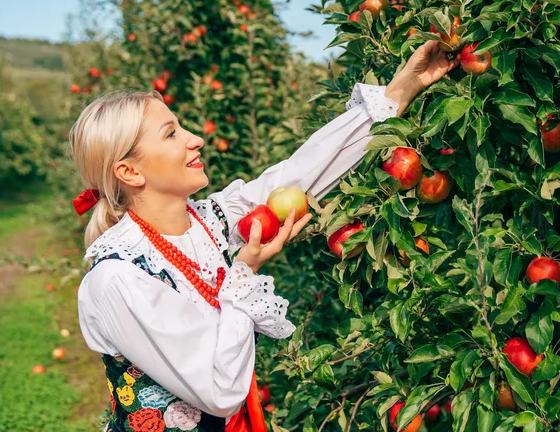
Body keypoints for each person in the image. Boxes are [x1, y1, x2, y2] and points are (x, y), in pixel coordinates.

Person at [72, 41, 458, 432]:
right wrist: (243, 272)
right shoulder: (118, 280)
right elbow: (220, 394)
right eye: (171, 134)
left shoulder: (211, 222)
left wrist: (401, 90)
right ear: (130, 173)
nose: (196, 138)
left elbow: (298, 175)